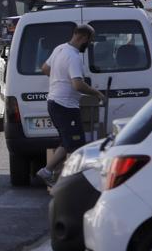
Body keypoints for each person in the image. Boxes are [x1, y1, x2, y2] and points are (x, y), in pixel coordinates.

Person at [37, 24, 103, 186]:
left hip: (54, 102)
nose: (89, 45)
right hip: (65, 106)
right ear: (84, 38)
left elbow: (45, 68)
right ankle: (73, 182)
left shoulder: (60, 49)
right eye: (90, 41)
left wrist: (59, 79)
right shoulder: (74, 57)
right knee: (76, 143)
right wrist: (97, 93)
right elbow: (78, 85)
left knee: (67, 142)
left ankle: (48, 172)